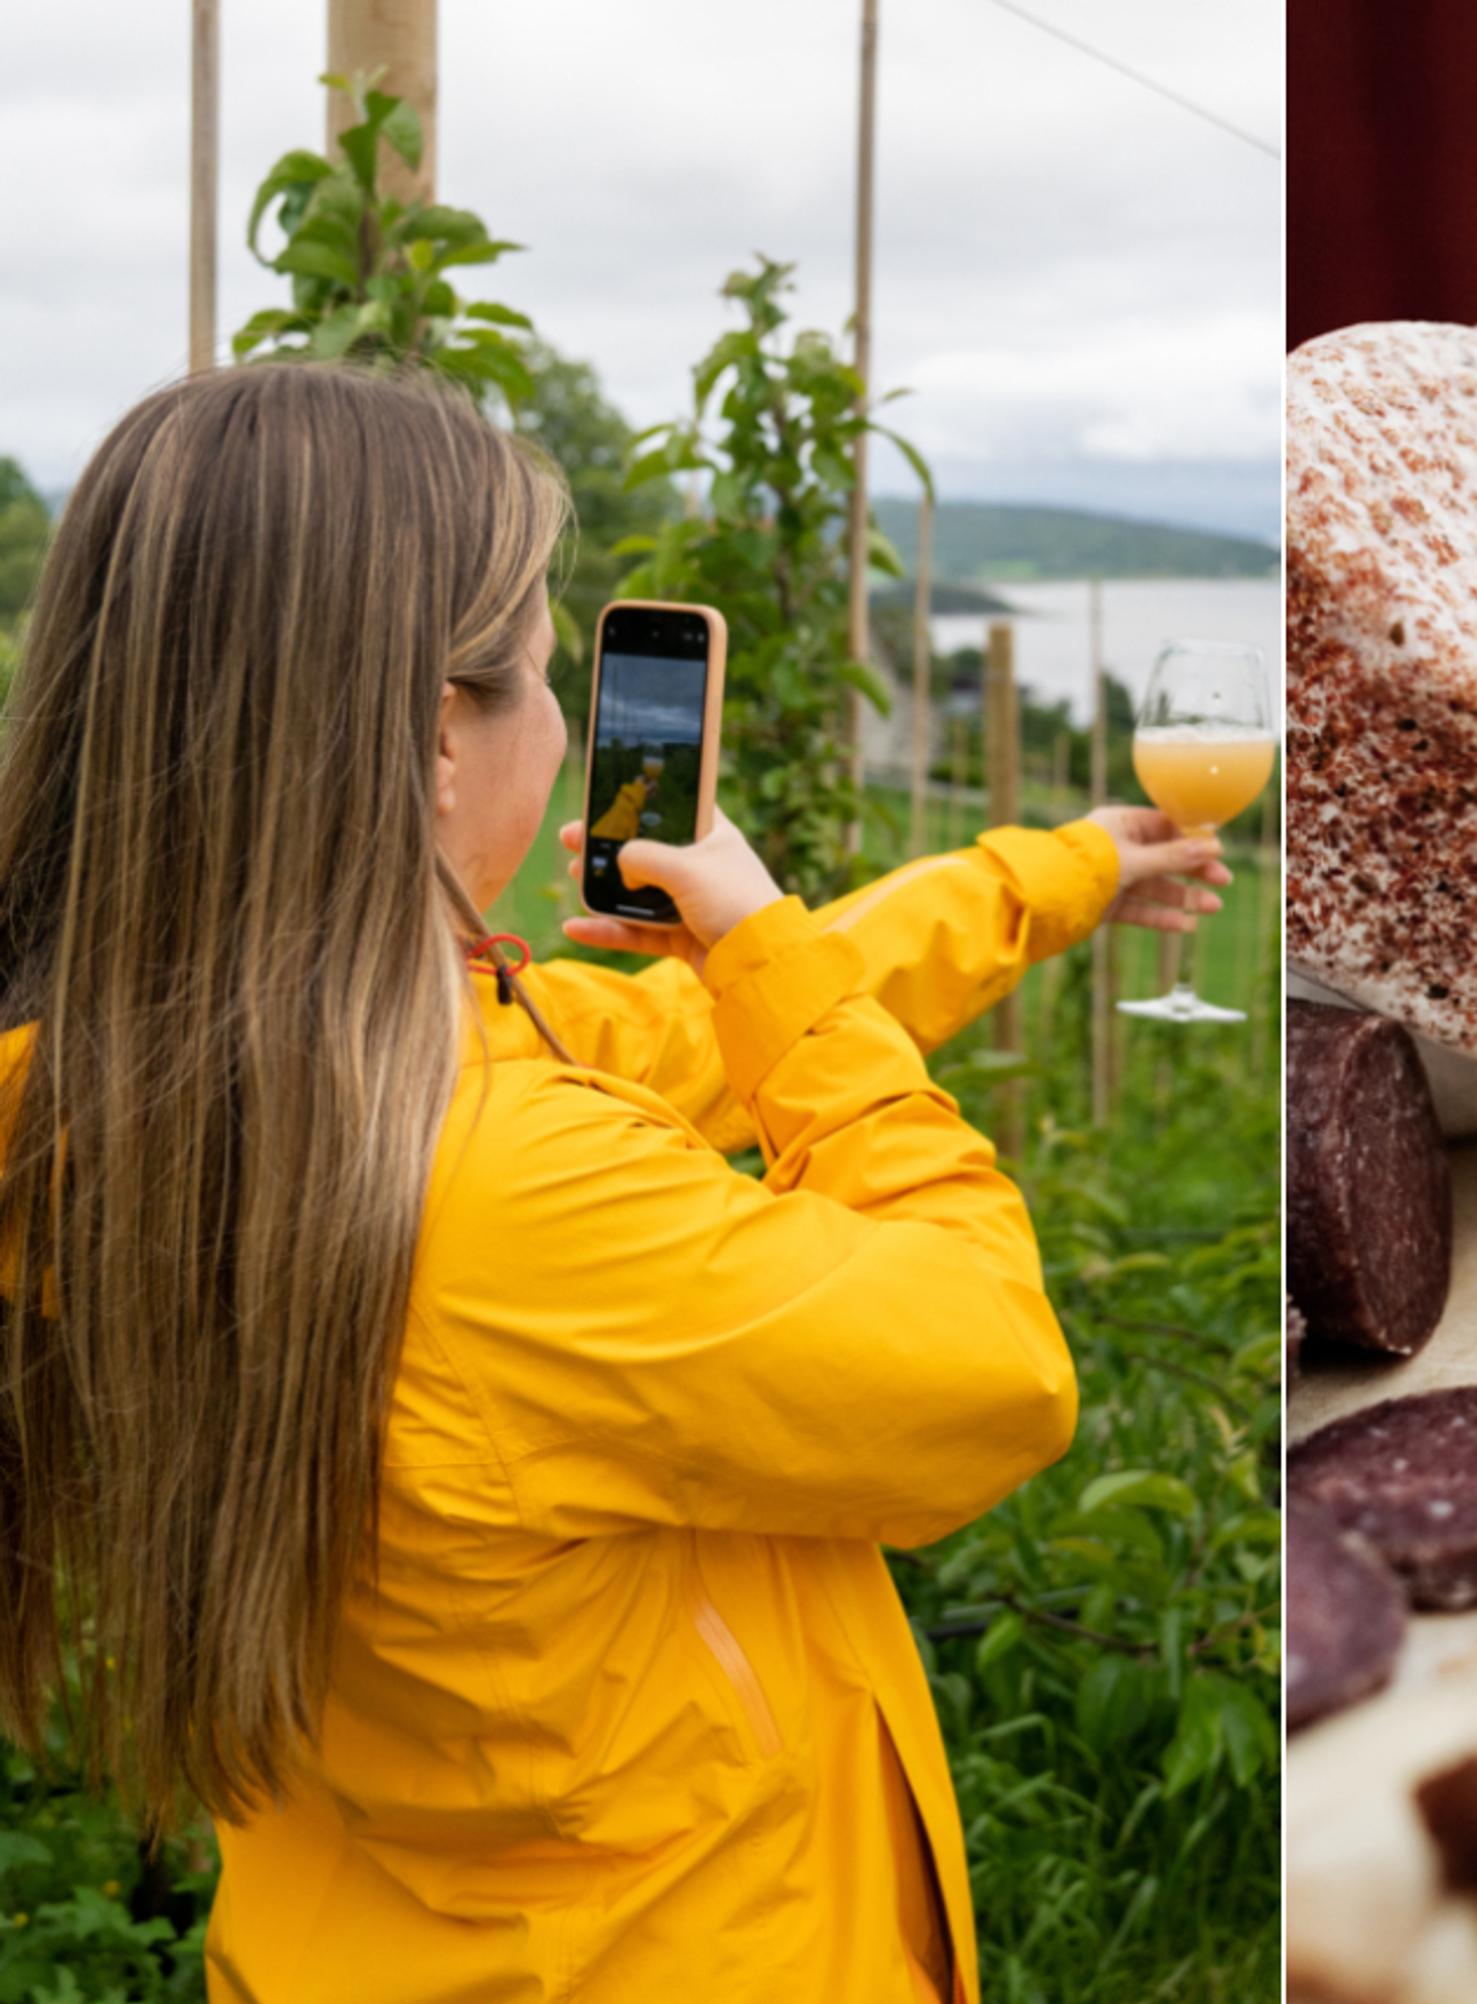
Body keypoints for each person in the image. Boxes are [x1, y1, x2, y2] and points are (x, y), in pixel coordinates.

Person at [0, 362, 1235, 2001]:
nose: (570, 721)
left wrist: (1048, 874)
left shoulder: (132, 1094)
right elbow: (993, 1360)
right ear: (443, 736)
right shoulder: (508, 1195)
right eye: (532, 668)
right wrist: (770, 957)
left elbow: (685, 1037)